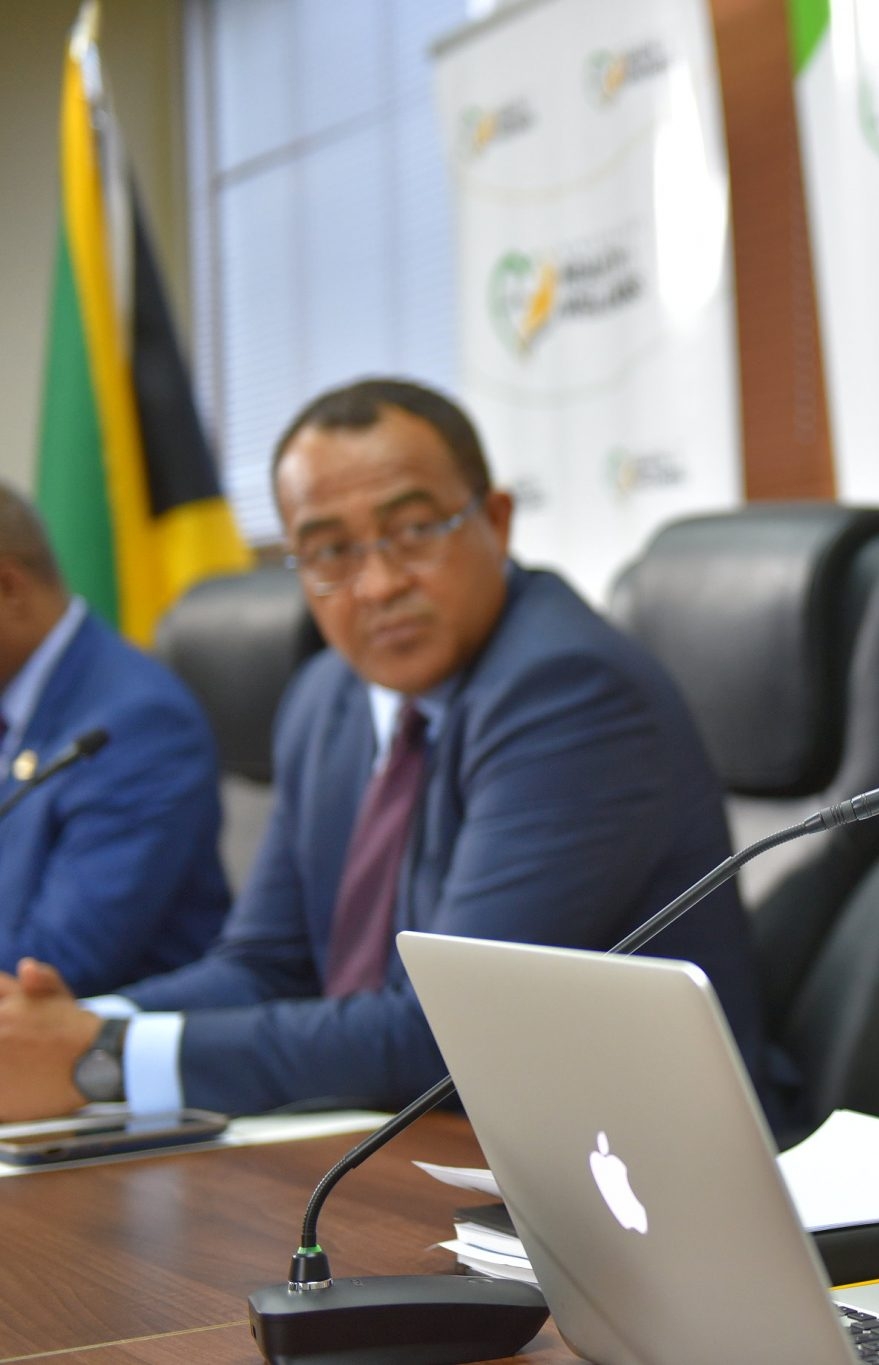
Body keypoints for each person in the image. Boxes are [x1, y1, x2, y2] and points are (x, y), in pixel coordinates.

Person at [0, 378, 776, 1123]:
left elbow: (443, 1036)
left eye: (413, 532)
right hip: (408, 1146)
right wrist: (72, 1024)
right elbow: (266, 964)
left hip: (626, 1163)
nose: (376, 585)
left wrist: (102, 1054)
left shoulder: (568, 692)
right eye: (330, 551)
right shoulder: (325, 697)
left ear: (497, 520)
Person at [0, 486, 230, 995]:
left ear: (9, 586)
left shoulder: (140, 722)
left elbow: (57, 962)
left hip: (108, 1028)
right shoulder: (12, 690)